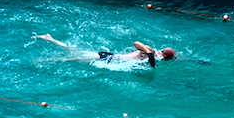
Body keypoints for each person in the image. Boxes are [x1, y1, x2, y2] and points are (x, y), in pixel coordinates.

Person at [34, 33, 177, 68]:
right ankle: (46, 57)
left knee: (74, 52)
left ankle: (50, 39)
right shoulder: (150, 51)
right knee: (72, 57)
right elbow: (136, 43)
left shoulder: (153, 58)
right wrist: (149, 52)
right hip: (106, 58)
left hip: (109, 58)